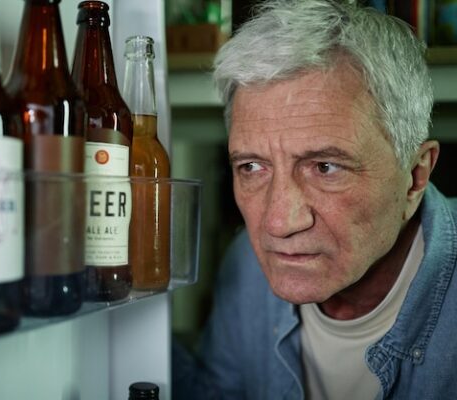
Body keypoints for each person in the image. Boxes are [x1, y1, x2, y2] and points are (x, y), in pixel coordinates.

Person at [172, 1, 457, 399]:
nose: (278, 223)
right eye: (252, 167)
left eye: (325, 167)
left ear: (415, 177)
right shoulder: (245, 266)